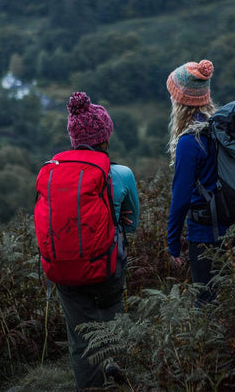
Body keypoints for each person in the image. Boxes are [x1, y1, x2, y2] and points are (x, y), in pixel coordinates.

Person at [54, 91, 139, 390]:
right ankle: (120, 380)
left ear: (74, 139)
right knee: (115, 328)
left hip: (66, 273)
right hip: (108, 268)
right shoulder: (122, 174)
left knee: (80, 340)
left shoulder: (55, 174)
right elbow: (135, 222)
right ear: (105, 136)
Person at [165, 59, 226, 304]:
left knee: (207, 302)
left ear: (180, 101)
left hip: (204, 235)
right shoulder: (222, 128)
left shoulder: (190, 141)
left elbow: (180, 198)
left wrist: (172, 243)